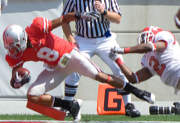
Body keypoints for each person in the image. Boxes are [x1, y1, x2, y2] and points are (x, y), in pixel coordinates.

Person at [2, 14, 155, 121]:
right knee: (32, 95)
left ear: (22, 38)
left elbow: (63, 19)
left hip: (70, 56)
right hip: (55, 68)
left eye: (14, 47)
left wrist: (79, 16)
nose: (12, 51)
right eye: (10, 48)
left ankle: (138, 92)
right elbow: (14, 77)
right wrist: (17, 80)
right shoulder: (14, 55)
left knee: (100, 76)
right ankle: (70, 105)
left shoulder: (36, 27)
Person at [61, 0, 141, 118]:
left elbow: (117, 18)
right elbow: (64, 20)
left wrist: (104, 12)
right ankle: (67, 104)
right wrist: (71, 40)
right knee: (74, 68)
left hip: (105, 40)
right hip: (83, 40)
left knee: (119, 68)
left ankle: (128, 105)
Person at [110, 26, 180, 95]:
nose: (142, 41)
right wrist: (117, 60)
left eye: (143, 37)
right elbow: (134, 78)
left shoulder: (163, 35)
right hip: (175, 81)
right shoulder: (146, 59)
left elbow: (149, 47)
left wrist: (124, 50)